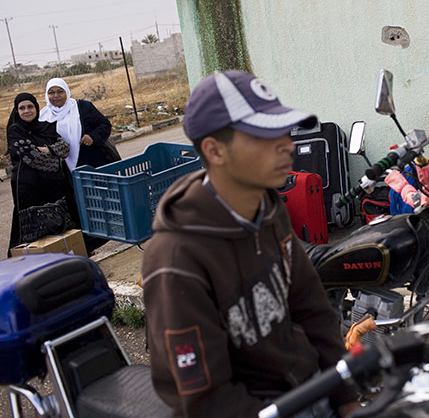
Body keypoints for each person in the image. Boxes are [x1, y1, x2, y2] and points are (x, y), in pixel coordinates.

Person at [141, 70, 359, 417]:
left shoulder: (267, 207)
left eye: (283, 131)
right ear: (215, 150)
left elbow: (312, 308)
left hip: (313, 388)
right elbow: (204, 398)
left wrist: (345, 395)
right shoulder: (177, 259)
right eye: (263, 136)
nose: (287, 145)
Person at [6, 93, 79, 255]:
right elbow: (32, 158)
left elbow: (65, 148)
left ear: (36, 108)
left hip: (53, 187)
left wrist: (48, 150)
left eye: (30, 106)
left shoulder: (46, 126)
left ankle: (64, 256)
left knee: (58, 224)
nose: (27, 111)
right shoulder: (15, 131)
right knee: (32, 230)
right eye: (22, 108)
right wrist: (57, 161)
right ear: (16, 111)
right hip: (29, 188)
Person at [39, 77, 112, 171]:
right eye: (51, 92)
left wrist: (92, 137)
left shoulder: (83, 107)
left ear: (67, 92)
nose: (56, 95)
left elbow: (105, 125)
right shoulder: (43, 116)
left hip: (90, 164)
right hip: (62, 170)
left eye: (60, 91)